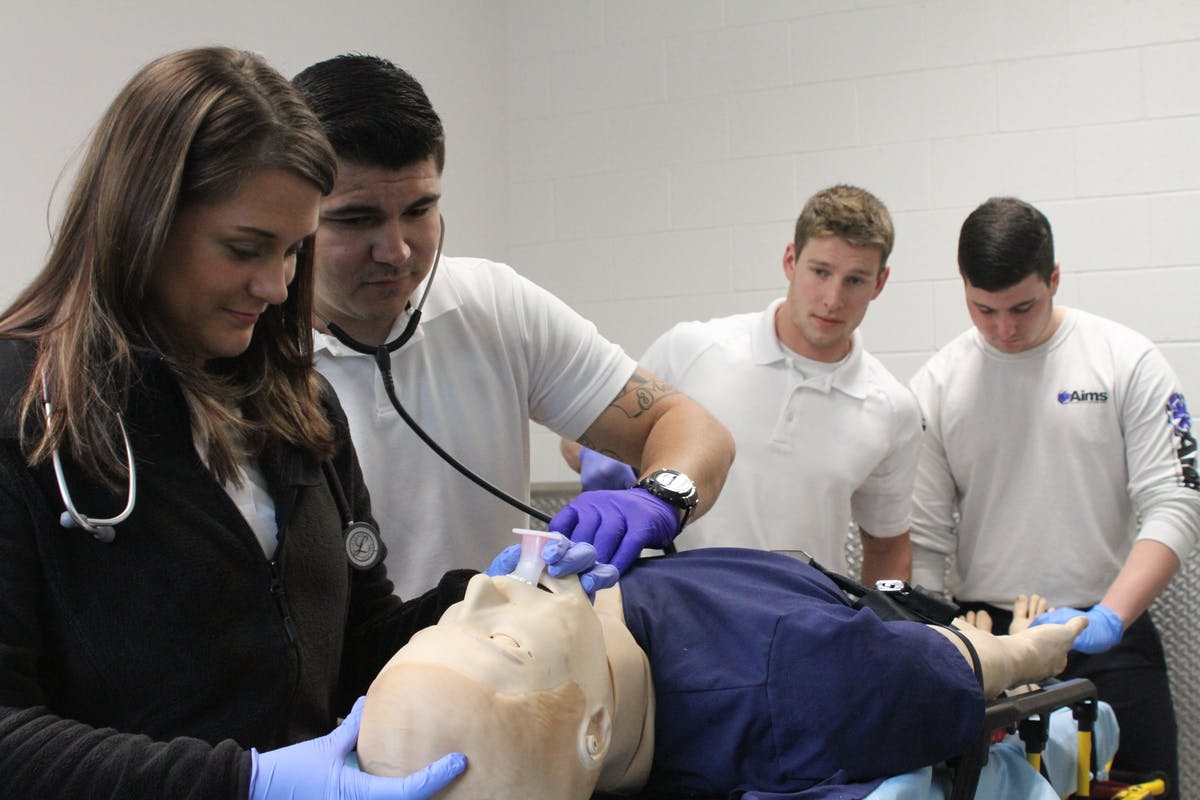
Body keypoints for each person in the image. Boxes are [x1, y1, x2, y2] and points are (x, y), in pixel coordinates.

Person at [0, 47, 614, 800]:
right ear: (141, 221)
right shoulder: (26, 412)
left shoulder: (298, 409)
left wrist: (480, 596)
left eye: (295, 249)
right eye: (245, 249)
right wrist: (245, 782)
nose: (278, 283)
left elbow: (356, 645)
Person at [291, 55, 735, 597]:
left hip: (497, 666)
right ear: (295, 214)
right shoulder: (244, 347)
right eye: (356, 219)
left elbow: (691, 426)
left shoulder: (494, 307)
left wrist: (659, 497)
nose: (396, 250)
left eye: (419, 210)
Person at [355, 548, 1088, 800]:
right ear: (595, 732)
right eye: (501, 639)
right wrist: (1039, 650)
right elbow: (969, 664)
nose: (480, 593)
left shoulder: (573, 618)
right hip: (908, 629)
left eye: (450, 623)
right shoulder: (800, 678)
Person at [909, 196, 1200, 797]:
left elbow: (1177, 501)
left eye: (1023, 306)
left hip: (1108, 635)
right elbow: (926, 540)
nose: (1004, 329)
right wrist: (943, 641)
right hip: (994, 638)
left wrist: (1111, 617)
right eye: (983, 309)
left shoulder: (1124, 361)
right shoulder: (937, 385)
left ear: (1055, 279)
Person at [566, 185, 920, 584]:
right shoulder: (693, 349)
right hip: (674, 609)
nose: (833, 298)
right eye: (820, 272)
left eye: (855, 280)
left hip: (807, 623)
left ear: (880, 282)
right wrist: (597, 455)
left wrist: (884, 638)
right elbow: (577, 432)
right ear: (790, 260)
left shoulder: (893, 409)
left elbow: (887, 547)